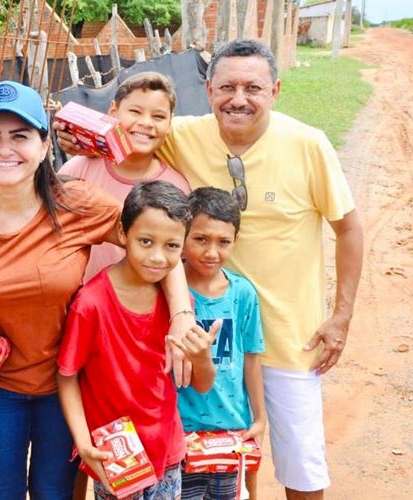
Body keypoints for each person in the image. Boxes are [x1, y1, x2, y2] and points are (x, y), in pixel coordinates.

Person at [56, 39, 364, 500]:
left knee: (301, 462)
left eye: (253, 87)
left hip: (290, 335)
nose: (238, 98)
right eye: (227, 87)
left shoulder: (308, 144)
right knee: (170, 451)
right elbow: (138, 123)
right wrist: (85, 133)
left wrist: (340, 317)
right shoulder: (183, 132)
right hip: (200, 330)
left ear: (275, 90)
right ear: (208, 89)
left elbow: (350, 229)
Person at [0, 81, 194, 500]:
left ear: (45, 144)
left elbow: (155, 250)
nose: (6, 149)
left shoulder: (78, 202)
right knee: (0, 494)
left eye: (21, 135)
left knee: (56, 494)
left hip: (68, 386)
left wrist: (180, 316)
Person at [57, 180, 220, 500]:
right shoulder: (91, 303)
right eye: (146, 241)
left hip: (167, 452)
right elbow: (67, 377)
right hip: (115, 455)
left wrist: (202, 358)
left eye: (172, 246)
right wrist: (83, 441)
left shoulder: (179, 306)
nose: (158, 257)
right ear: (122, 234)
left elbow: (201, 384)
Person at [177, 187, 266, 500]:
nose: (211, 252)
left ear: (235, 242)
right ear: (183, 237)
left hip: (231, 430)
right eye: (201, 239)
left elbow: (252, 358)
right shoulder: (169, 294)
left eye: (223, 242)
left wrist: (259, 417)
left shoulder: (243, 294)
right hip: (180, 434)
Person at [59, 72, 190, 281]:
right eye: (135, 111)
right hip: (82, 304)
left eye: (158, 116)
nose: (146, 122)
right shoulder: (77, 171)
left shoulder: (177, 186)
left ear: (170, 122)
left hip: (147, 306)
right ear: (113, 111)